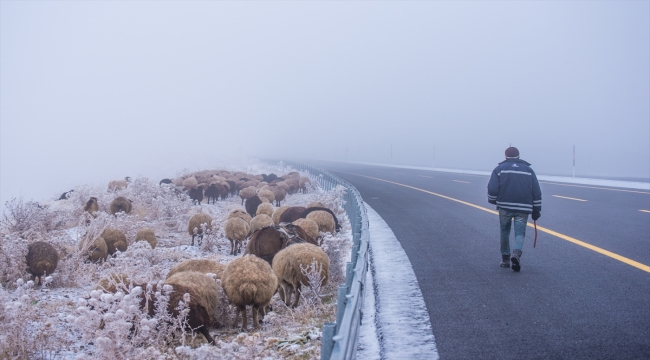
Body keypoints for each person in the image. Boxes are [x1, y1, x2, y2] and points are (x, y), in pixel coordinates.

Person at [487, 147, 542, 272]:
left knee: (504, 231)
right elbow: (536, 191)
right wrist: (536, 209)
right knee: (519, 232)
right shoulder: (528, 170)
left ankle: (505, 259)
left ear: (505, 155)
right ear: (518, 155)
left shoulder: (499, 169)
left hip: (505, 206)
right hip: (523, 207)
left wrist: (493, 200)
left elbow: (492, 188)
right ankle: (517, 253)